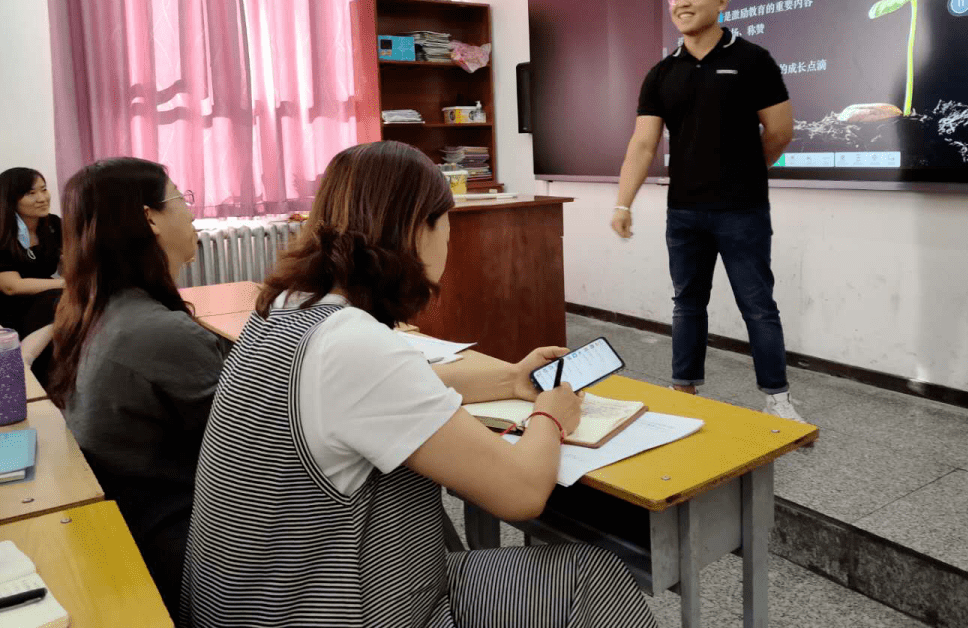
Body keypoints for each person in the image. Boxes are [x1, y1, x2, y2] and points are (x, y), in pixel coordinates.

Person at [181, 141, 655, 628]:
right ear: (417, 228)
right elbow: (521, 492)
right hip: (328, 607)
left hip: (257, 597)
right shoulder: (354, 347)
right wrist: (552, 415)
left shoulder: (289, 309)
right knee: (594, 572)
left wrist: (512, 378)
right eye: (445, 221)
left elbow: (401, 389)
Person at [611, 0, 805, 423]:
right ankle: (683, 393)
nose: (683, 1)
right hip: (685, 213)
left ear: (722, 0)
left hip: (742, 211)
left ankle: (777, 399)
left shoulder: (753, 60)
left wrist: (744, 170)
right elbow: (643, 143)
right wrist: (623, 201)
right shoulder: (662, 73)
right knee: (687, 304)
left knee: (757, 305)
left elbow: (780, 131)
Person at [50, 158, 227, 615]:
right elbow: (257, 450)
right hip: (183, 542)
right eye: (181, 199)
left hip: (139, 517)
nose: (191, 213)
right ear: (150, 218)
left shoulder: (100, 310)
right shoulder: (157, 332)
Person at [0, 168, 64, 367]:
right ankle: (22, 362)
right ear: (12, 199)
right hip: (11, 308)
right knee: (61, 298)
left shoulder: (53, 224)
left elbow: (71, 260)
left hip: (46, 299)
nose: (42, 198)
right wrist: (65, 284)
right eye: (31, 193)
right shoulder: (3, 232)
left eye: (43, 190)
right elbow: (11, 287)